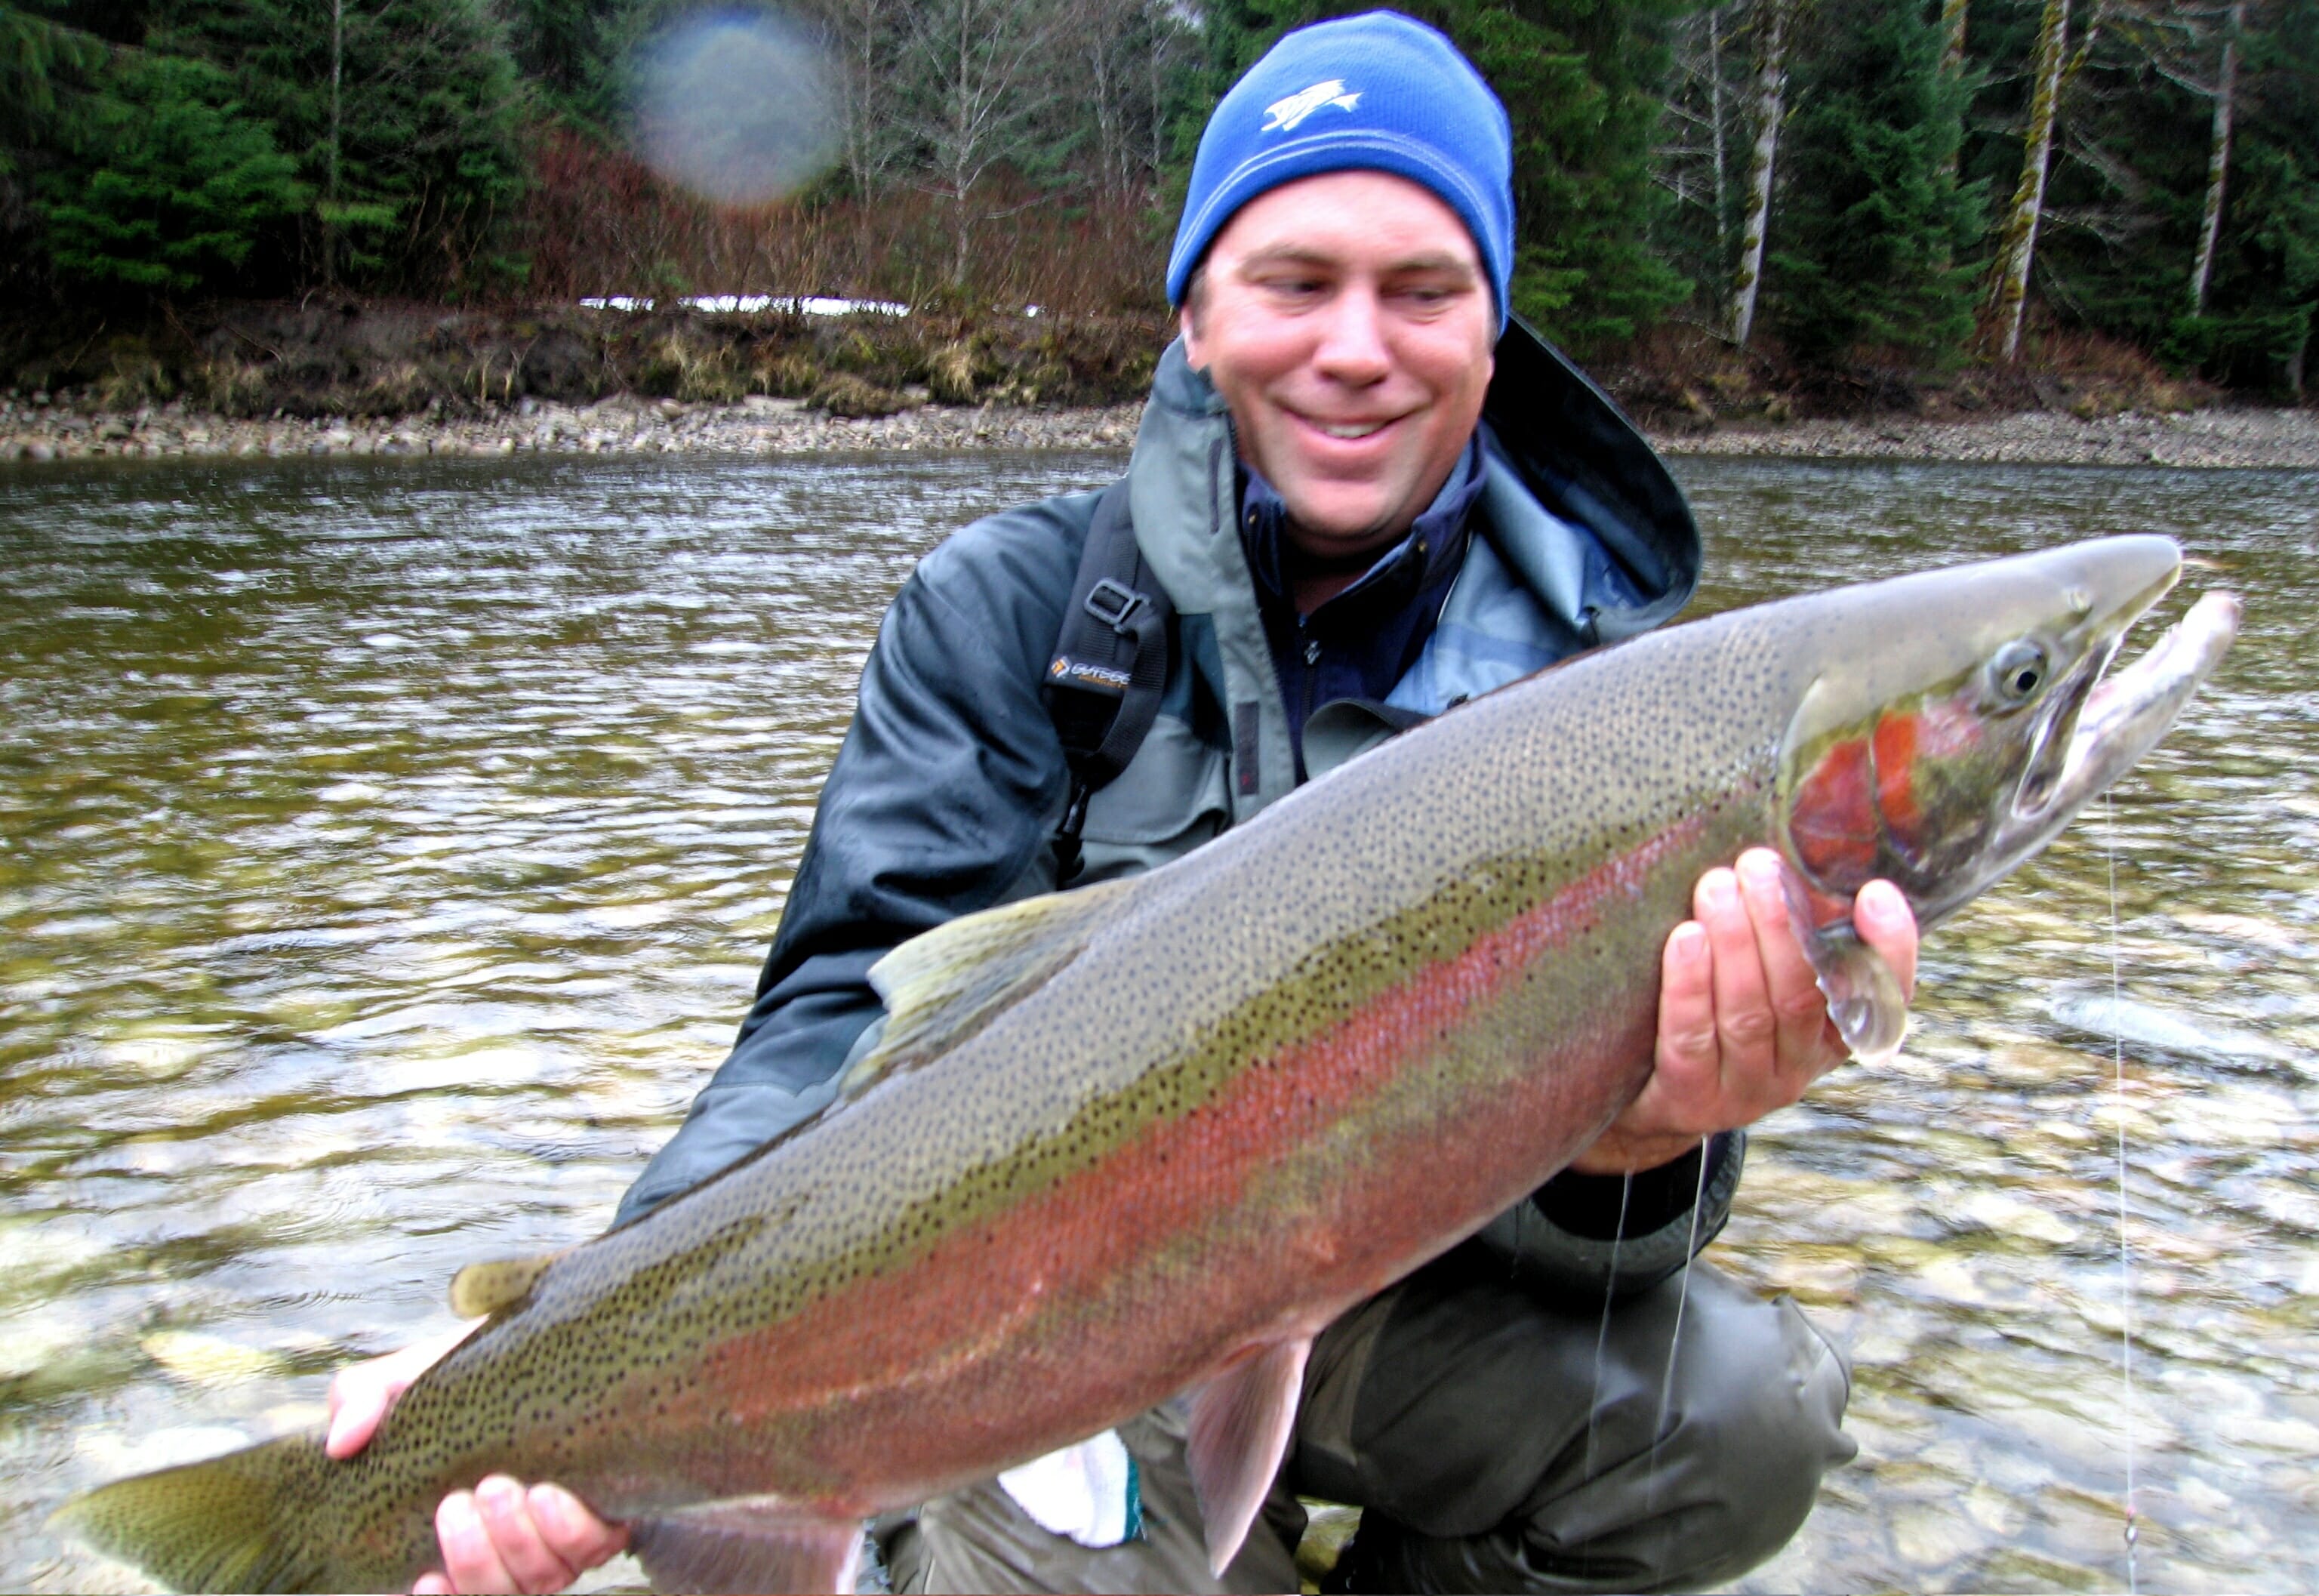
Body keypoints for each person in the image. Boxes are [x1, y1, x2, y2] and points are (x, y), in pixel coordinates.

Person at [325, 12, 1920, 1593]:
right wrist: (561, 1335)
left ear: (1495, 329)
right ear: (1195, 320)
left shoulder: (1607, 692)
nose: (1355, 346)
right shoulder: (1014, 613)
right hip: (1020, 1319)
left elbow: (1618, 1249)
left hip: (1375, 1306)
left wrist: (1640, 1150)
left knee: (1739, 1415)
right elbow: (834, 1018)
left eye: (1422, 290)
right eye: (1294, 282)